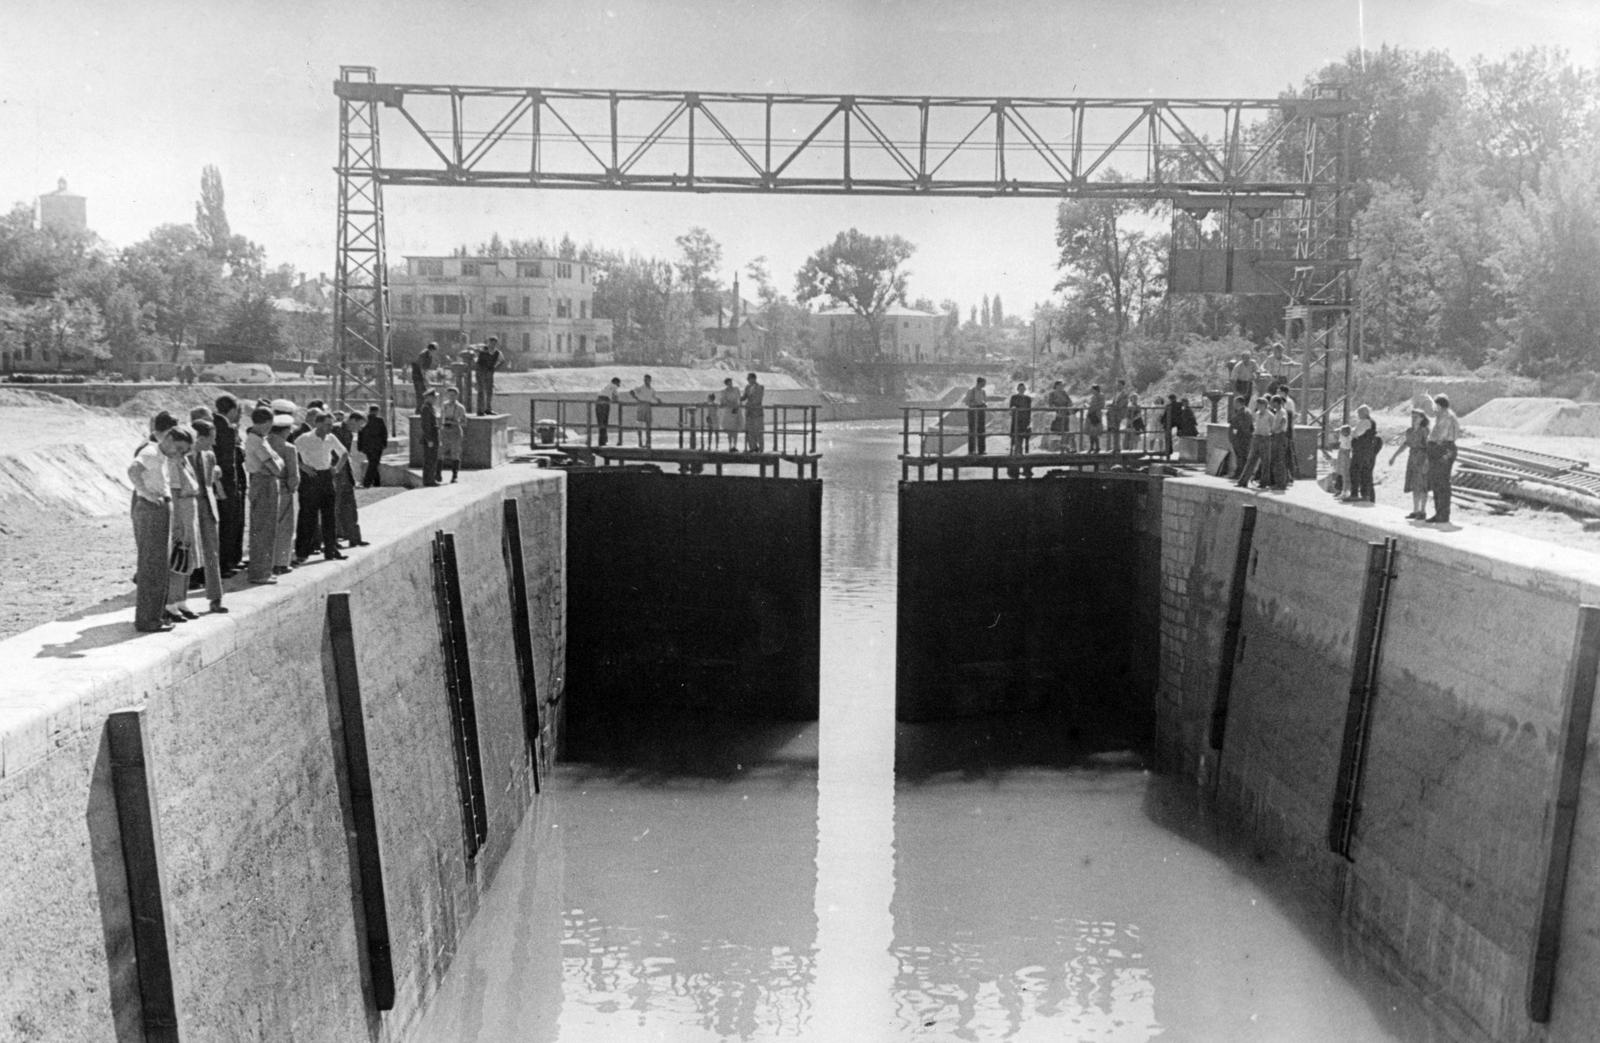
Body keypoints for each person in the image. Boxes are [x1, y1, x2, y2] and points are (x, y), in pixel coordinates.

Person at [128, 426, 190, 632]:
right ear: (169, 438)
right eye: (179, 448)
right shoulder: (151, 451)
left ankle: (155, 615)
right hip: (151, 509)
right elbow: (133, 470)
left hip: (159, 507)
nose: (179, 454)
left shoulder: (161, 455)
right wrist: (145, 493)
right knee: (152, 566)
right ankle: (148, 620)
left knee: (159, 566)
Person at [293, 411, 345, 563]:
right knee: (308, 516)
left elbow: (344, 453)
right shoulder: (305, 438)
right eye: (328, 425)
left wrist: (336, 468)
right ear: (318, 424)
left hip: (326, 477)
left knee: (329, 516)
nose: (330, 428)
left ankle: (331, 550)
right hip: (311, 478)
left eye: (331, 425)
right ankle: (302, 552)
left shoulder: (331, 438)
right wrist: (303, 467)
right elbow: (290, 454)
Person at [188, 419, 227, 614]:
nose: (213, 444)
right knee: (186, 553)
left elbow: (212, 481)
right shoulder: (182, 456)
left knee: (212, 553)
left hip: (208, 507)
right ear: (200, 438)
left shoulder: (209, 456)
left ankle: (215, 598)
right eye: (210, 439)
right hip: (190, 507)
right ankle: (176, 602)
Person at [243, 406, 282, 584]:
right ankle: (259, 572)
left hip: (265, 481)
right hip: (263, 482)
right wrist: (277, 463)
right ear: (267, 422)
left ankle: (264, 569)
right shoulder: (257, 441)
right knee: (263, 527)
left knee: (267, 527)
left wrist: (276, 463)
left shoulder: (259, 439)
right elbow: (276, 467)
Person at [211, 395, 246, 577]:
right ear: (232, 410)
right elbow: (228, 463)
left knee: (226, 526)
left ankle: (227, 562)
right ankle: (225, 565)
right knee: (227, 525)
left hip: (219, 484)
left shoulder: (214, 423)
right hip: (226, 485)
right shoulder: (225, 429)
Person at [269, 415, 300, 574]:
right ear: (285, 430)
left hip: (266, 489)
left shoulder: (264, 443)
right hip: (284, 489)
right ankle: (281, 562)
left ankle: (267, 561)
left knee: (267, 526)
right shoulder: (288, 448)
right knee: (285, 528)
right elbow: (294, 474)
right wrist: (292, 488)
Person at [333, 412, 368, 547]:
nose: (359, 430)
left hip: (345, 475)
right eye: (359, 426)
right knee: (335, 508)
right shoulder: (335, 430)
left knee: (350, 507)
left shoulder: (348, 433)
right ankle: (334, 539)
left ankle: (354, 538)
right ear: (352, 420)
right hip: (335, 473)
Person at [1426, 394, 1460, 523]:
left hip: (1443, 449)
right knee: (1437, 483)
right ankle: (1439, 513)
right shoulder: (1446, 415)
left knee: (1442, 483)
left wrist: (1432, 444)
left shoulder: (1446, 416)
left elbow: (1441, 435)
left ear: (1438, 405)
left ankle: (1443, 515)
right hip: (1443, 448)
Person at [1391, 410, 1431, 519]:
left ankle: (1422, 511)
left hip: (1422, 458)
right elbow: (1405, 444)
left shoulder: (1424, 431)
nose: (1413, 419)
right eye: (1412, 417)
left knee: (1422, 486)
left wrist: (1427, 462)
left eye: (1416, 417)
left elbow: (1429, 448)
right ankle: (1415, 510)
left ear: (1422, 418)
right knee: (1414, 485)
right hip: (1412, 458)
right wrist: (1394, 456)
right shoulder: (1409, 431)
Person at [1344, 405, 1379, 502]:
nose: (1358, 415)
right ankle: (1366, 495)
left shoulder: (1365, 422)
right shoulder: (1370, 422)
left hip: (1361, 451)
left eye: (1359, 413)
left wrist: (1352, 434)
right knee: (1365, 473)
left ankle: (1355, 494)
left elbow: (1357, 433)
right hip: (1366, 451)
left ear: (1364, 413)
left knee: (1355, 470)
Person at [1234, 398, 1272, 489]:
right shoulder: (1257, 414)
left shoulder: (1270, 415)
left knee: (1265, 462)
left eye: (1259, 404)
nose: (1258, 406)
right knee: (1250, 460)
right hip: (1256, 438)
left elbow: (1273, 427)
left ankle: (1264, 482)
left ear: (1264, 405)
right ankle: (1243, 481)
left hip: (1265, 438)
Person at [439, 386, 468, 482]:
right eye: (449, 395)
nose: (451, 397)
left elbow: (464, 422)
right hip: (444, 430)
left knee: (455, 453)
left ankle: (454, 476)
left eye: (453, 395)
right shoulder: (444, 405)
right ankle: (438, 474)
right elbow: (441, 417)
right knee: (440, 452)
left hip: (455, 430)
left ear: (457, 396)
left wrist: (455, 422)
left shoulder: (460, 408)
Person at [356, 405, 388, 488]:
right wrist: (384, 444)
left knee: (373, 463)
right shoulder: (379, 420)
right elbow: (384, 433)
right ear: (377, 411)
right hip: (377, 445)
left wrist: (359, 446)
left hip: (367, 446)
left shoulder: (364, 420)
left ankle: (377, 482)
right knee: (374, 464)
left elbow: (360, 434)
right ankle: (367, 482)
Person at [1227, 395, 1254, 478]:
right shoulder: (1238, 412)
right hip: (1237, 439)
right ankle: (1239, 473)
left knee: (1242, 456)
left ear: (1239, 403)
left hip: (1241, 439)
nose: (1234, 404)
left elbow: (1244, 426)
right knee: (1239, 456)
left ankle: (1241, 474)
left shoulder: (1244, 412)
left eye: (1235, 402)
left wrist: (1237, 433)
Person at [475, 336, 503, 415]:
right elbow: (476, 361)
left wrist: (495, 368)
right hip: (481, 373)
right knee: (481, 391)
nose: (492, 345)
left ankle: (488, 409)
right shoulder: (482, 351)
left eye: (494, 343)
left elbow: (502, 361)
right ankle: (480, 410)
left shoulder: (497, 353)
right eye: (491, 343)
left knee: (489, 391)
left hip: (489, 373)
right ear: (488, 343)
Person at [419, 390, 442, 486]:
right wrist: (429, 440)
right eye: (434, 397)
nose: (435, 399)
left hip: (434, 437)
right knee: (429, 459)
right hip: (430, 438)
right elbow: (426, 425)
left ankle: (430, 479)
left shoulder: (430, 408)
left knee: (432, 459)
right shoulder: (426, 408)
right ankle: (429, 480)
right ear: (429, 397)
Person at [630, 375, 658, 448]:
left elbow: (654, 396)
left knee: (648, 424)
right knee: (640, 424)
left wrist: (659, 400)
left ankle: (648, 442)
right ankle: (640, 442)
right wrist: (637, 398)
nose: (646, 381)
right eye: (645, 380)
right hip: (641, 405)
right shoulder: (641, 388)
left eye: (647, 380)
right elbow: (631, 392)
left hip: (648, 406)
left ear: (650, 380)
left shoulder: (652, 389)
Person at [963, 377, 988, 455]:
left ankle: (981, 450)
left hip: (981, 411)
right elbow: (966, 402)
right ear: (979, 382)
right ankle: (971, 450)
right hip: (973, 411)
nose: (985, 384)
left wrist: (984, 404)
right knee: (972, 430)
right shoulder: (971, 391)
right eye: (984, 383)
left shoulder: (983, 391)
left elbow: (985, 400)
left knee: (981, 430)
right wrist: (975, 404)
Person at [742, 372, 766, 453]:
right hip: (749, 412)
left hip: (757, 412)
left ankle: (761, 448)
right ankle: (753, 447)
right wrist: (738, 398)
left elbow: (758, 400)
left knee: (759, 431)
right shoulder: (747, 387)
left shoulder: (760, 387)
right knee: (750, 430)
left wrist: (749, 404)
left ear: (754, 379)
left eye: (749, 379)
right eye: (748, 379)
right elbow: (744, 397)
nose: (748, 380)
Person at [1044, 380, 1071, 451]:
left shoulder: (1064, 393)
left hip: (1065, 414)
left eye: (1062, 386)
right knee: (1056, 431)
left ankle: (1064, 447)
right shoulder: (1052, 394)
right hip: (1057, 415)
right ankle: (1055, 447)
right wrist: (1056, 409)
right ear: (1056, 386)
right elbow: (1050, 404)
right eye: (1060, 385)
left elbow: (1070, 402)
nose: (1061, 387)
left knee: (1065, 431)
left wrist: (1067, 407)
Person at [1008, 382, 1033, 455]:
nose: (1021, 390)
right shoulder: (1014, 397)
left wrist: (1029, 420)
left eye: (1023, 388)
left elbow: (1029, 410)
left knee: (1024, 434)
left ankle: (1022, 450)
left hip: (1025, 419)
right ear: (1017, 389)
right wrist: (1013, 409)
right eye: (1020, 388)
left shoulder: (1028, 398)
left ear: (1025, 389)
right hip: (1016, 419)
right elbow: (1011, 407)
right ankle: (1014, 450)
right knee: (1015, 434)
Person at [595, 377, 621, 446]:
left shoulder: (606, 386)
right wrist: (616, 400)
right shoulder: (614, 386)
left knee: (600, 422)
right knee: (604, 421)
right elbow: (616, 397)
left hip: (598, 402)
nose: (619, 385)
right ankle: (603, 441)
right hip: (605, 402)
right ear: (616, 382)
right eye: (618, 383)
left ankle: (601, 441)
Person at [718, 378, 742, 451]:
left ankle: (735, 445)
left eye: (731, 382)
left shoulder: (736, 389)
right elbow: (723, 401)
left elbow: (739, 399)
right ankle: (730, 445)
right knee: (729, 430)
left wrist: (737, 405)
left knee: (735, 429)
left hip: (735, 410)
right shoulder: (724, 391)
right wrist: (729, 404)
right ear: (726, 384)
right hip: (728, 411)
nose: (730, 384)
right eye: (728, 383)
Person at [411, 342, 437, 407]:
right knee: (420, 393)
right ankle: (420, 408)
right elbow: (421, 367)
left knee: (425, 391)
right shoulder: (423, 355)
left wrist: (427, 378)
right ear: (432, 350)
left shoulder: (430, 356)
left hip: (422, 375)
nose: (435, 353)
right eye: (434, 351)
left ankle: (425, 407)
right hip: (417, 375)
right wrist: (424, 378)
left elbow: (426, 369)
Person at [1108, 381, 1131, 450]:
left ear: (1123, 386)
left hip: (1120, 414)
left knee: (1118, 430)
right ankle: (1115, 447)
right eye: (1117, 385)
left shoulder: (1125, 394)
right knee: (1114, 430)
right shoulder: (1115, 393)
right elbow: (1114, 402)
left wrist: (1115, 406)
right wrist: (1110, 405)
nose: (1118, 386)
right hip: (1114, 414)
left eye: (1119, 385)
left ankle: (1118, 447)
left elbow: (1122, 404)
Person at [1330, 424, 1352, 498]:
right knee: (1340, 473)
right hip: (1342, 454)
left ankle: (1344, 491)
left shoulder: (1347, 439)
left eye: (1342, 431)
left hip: (1344, 454)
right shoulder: (1344, 437)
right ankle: (1340, 490)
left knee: (1345, 474)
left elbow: (1346, 449)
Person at [1085, 384, 1105, 453]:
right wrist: (1088, 406)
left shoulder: (1101, 395)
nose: (1091, 391)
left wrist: (1092, 408)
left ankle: (1097, 447)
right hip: (1091, 415)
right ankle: (1091, 447)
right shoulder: (1092, 396)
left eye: (1092, 389)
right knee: (1091, 432)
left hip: (1096, 415)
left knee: (1095, 432)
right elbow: (1091, 404)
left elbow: (1102, 405)